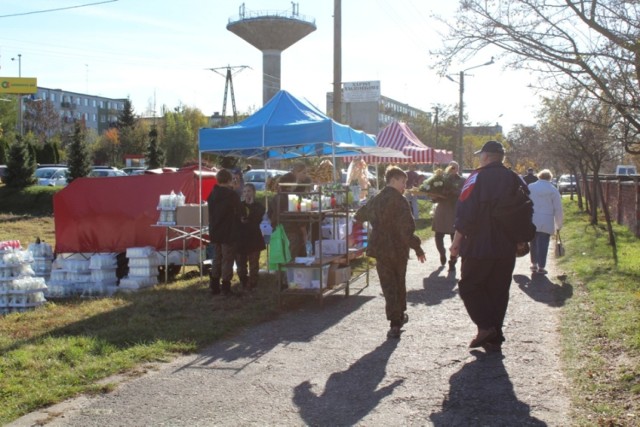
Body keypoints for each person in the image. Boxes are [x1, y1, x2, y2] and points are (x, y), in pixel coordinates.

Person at [450, 140, 528, 352]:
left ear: (485, 157)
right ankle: (495, 335)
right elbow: (524, 212)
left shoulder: (475, 178)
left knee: (469, 286)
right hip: (506, 247)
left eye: (480, 155)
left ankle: (485, 327)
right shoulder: (515, 178)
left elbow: (465, 213)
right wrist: (520, 240)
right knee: (499, 290)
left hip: (478, 245)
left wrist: (456, 243)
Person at [355, 166, 426, 339]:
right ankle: (398, 317)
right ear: (393, 180)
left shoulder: (377, 199)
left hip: (381, 249)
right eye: (403, 181)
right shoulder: (400, 201)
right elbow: (406, 230)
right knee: (398, 282)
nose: (405, 185)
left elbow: (359, 215)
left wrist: (376, 221)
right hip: (398, 249)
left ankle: (395, 320)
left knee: (388, 286)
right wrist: (416, 247)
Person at [207, 168, 242, 296]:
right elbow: (240, 210)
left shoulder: (212, 194)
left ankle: (214, 285)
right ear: (228, 180)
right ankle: (226, 287)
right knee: (227, 259)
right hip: (228, 230)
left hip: (215, 230)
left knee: (217, 257)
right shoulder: (231, 195)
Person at [527, 169, 563, 275]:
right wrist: (558, 224)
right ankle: (541, 267)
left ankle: (534, 264)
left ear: (539, 176)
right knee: (543, 243)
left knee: (533, 242)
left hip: (532, 218)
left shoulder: (531, 187)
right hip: (546, 219)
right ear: (550, 178)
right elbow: (558, 208)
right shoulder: (553, 190)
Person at [431, 161, 465, 271]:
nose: (452, 169)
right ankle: (442, 253)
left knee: (454, 237)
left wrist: (452, 191)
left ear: (458, 169)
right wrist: (435, 196)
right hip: (442, 209)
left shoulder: (462, 180)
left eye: (454, 167)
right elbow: (434, 195)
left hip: (455, 210)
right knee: (438, 235)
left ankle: (453, 260)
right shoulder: (440, 179)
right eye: (450, 167)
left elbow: (463, 194)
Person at [268, 173, 307, 259]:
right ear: (291, 185)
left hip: (277, 232)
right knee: (291, 259)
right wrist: (304, 234)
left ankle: (280, 272)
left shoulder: (275, 198)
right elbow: (299, 218)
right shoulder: (293, 198)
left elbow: (269, 214)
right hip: (292, 233)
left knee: (280, 259)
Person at [236, 183, 267, 291]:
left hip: (254, 237)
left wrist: (251, 207)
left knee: (254, 262)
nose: (246, 193)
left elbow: (258, 217)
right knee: (241, 262)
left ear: (253, 192)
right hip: (241, 237)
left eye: (248, 191)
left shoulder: (259, 206)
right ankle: (243, 281)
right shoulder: (239, 205)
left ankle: (253, 282)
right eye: (244, 191)